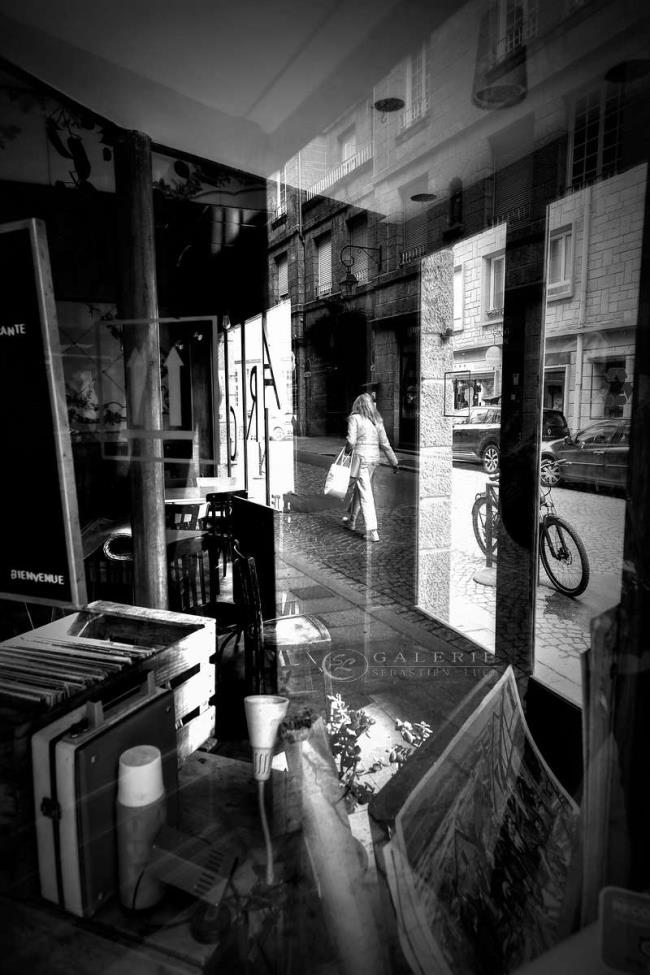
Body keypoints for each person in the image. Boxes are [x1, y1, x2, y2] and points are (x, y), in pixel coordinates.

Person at [342, 393, 399, 543]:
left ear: (358, 405)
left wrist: (347, 451)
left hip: (361, 461)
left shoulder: (355, 418)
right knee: (359, 490)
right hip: (374, 460)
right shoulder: (377, 421)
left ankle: (372, 531)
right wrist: (394, 462)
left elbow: (351, 441)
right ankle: (351, 521)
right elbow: (385, 444)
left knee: (365, 493)